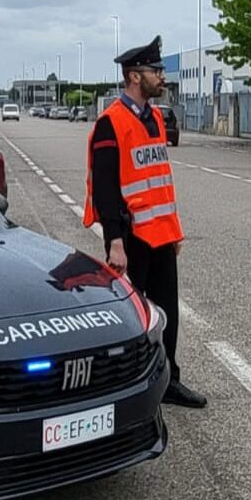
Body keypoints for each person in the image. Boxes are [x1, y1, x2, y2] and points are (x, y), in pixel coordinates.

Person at [82, 35, 207, 409]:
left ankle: (169, 380)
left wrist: (174, 230)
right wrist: (115, 242)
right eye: (156, 71)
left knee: (166, 312)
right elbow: (105, 189)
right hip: (131, 238)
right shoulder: (111, 123)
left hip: (160, 235)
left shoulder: (154, 118)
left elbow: (159, 182)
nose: (162, 77)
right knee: (132, 318)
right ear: (135, 77)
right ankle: (130, 386)